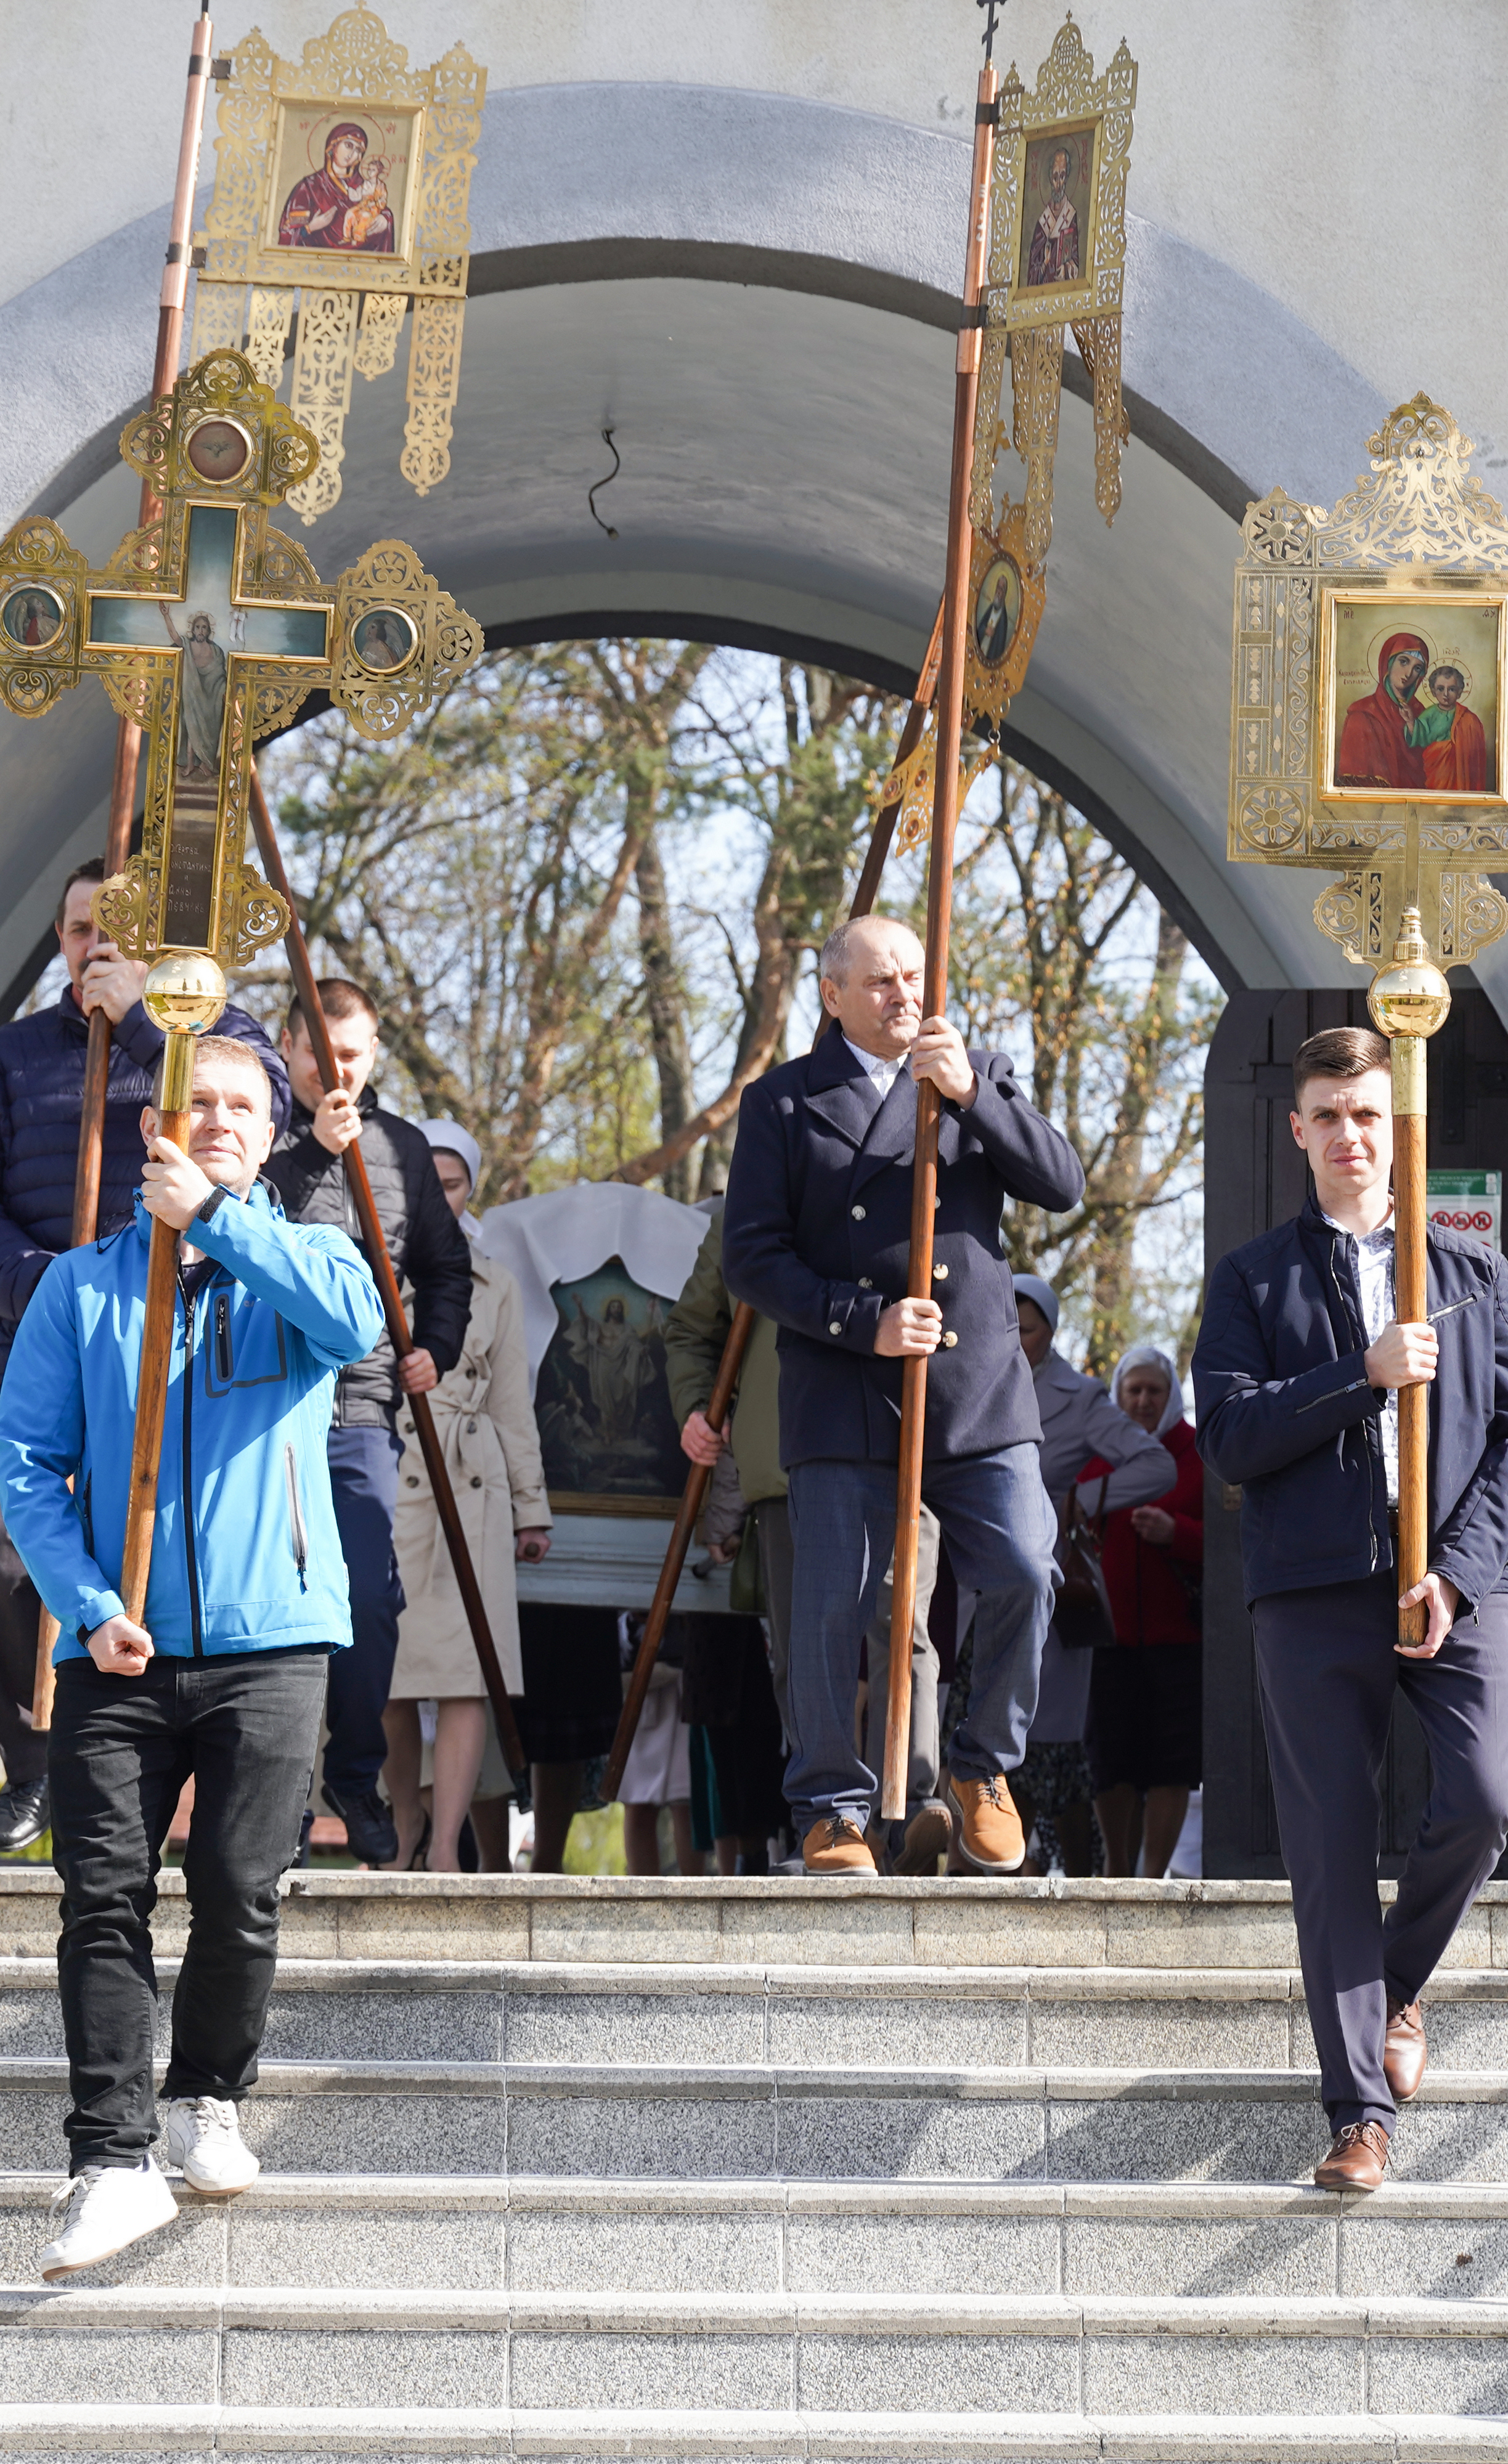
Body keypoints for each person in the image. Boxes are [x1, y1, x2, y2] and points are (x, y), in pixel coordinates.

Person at [0, 1035, 381, 2279]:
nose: (216, 1118)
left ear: (270, 1133)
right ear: (154, 1121)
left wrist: (216, 1219)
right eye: (195, 1101)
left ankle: (205, 2092)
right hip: (119, 1650)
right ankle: (109, 2161)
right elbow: (26, 1465)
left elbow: (355, 1321)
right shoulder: (81, 1285)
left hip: (275, 1639)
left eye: (239, 1106)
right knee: (101, 1895)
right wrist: (86, 1604)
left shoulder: (303, 1260)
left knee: (236, 1883)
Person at [1193, 1023, 1508, 2192]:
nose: (1346, 1134)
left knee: (1483, 1794)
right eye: (1325, 1114)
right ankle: (1357, 2113)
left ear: (1396, 1127)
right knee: (1327, 1844)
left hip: (1449, 1586)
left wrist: (1458, 1570)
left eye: (1366, 1113)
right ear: (1296, 1128)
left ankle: (1397, 1981)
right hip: (1309, 1588)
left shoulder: (1474, 1277)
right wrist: (1357, 1375)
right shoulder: (1251, 1277)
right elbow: (1229, 1434)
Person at [722, 913, 1084, 1876]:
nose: (903, 994)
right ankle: (829, 1807)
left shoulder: (977, 1070)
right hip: (843, 1387)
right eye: (879, 980)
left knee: (1024, 1565)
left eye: (913, 975)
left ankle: (980, 1764)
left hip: (974, 1388)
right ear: (831, 993)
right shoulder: (782, 1102)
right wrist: (859, 1319)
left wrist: (970, 1094)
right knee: (830, 1611)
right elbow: (749, 1256)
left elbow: (1061, 1183)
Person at [0, 858, 288, 1856]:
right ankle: (33, 1764)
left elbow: (262, 1113)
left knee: (156, 1530)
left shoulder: (214, 1034)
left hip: (175, 1322)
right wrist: (41, 1281)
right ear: (60, 938)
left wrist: (140, 1023)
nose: (98, 946)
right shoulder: (14, 1052)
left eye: (116, 927)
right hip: (42, 1318)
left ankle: (179, 1779)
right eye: (81, 929)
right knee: (17, 1552)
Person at [664, 1205, 947, 1871]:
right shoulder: (748, 1207)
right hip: (788, 1458)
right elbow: (692, 1331)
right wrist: (696, 1409)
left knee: (902, 1631)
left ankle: (906, 1819)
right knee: (805, 1650)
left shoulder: (912, 1180)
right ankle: (828, 1822)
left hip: (900, 1446)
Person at [264, 980, 473, 1866]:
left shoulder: (404, 1149)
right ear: (288, 1047)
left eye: (350, 1055)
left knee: (368, 1599)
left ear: (374, 1053)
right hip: (267, 1405)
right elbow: (240, 1226)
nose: (335, 1070)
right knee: (272, 1603)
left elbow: (447, 1268)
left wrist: (437, 1347)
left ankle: (354, 1774)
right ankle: (273, 1797)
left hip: (361, 1410)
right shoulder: (257, 1129)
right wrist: (315, 1150)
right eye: (319, 1054)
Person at [382, 1121, 552, 1873]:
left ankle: (448, 1849)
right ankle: (402, 1830)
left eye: (451, 1184)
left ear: (469, 1190)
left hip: (470, 1488)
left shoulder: (497, 1283)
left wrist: (531, 1508)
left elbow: (513, 1402)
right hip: (385, 1476)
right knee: (382, 1674)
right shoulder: (366, 1263)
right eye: (427, 1181)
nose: (438, 1196)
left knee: (466, 1676)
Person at [1000, 1277, 1175, 1875]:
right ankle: (999, 1874)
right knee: (979, 1740)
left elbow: (1155, 1466)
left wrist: (1076, 1500)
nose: (1012, 1339)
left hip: (1050, 1587)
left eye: (1025, 1329)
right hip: (975, 1585)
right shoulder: (969, 1379)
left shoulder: (1078, 1398)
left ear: (1050, 1332)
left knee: (1048, 1745)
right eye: (1004, 1326)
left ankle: (1073, 1878)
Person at [1082, 1343, 1203, 1879]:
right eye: (1133, 1390)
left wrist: (1178, 1534)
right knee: (1111, 1761)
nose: (1143, 1400)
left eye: (1154, 1390)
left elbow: (1228, 1542)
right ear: (1118, 1394)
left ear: (1171, 1395)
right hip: (1107, 1638)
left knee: (1171, 1763)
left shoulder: (1196, 1452)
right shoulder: (1096, 1452)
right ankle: (1116, 1869)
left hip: (1178, 1638)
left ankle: (1154, 1876)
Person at [278, 123, 394, 253]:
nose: (352, 154)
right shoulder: (309, 186)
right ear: (333, 146)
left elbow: (379, 205)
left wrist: (386, 218)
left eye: (358, 150)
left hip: (360, 257)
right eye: (348, 146)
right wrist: (311, 227)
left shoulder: (364, 184)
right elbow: (288, 234)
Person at [1335, 634, 1428, 792]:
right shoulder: (1362, 715)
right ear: (1388, 663)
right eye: (1404, 662)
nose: (1408, 673)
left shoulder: (1422, 714)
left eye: (1417, 668)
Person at [1414, 664, 1489, 794]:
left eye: (1452, 689)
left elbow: (1475, 753)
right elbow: (1418, 735)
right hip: (1436, 772)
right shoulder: (1429, 714)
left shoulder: (1469, 719)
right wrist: (1410, 722)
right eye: (1441, 689)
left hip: (1460, 775)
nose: (1446, 694)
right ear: (1433, 691)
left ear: (1459, 692)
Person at [1025, 145, 1079, 286]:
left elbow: (1075, 260)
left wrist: (1066, 269)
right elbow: (1032, 272)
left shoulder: (1070, 216)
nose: (1059, 184)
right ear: (1050, 178)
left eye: (1062, 177)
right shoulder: (1043, 222)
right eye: (1055, 177)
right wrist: (1045, 263)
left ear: (1067, 177)